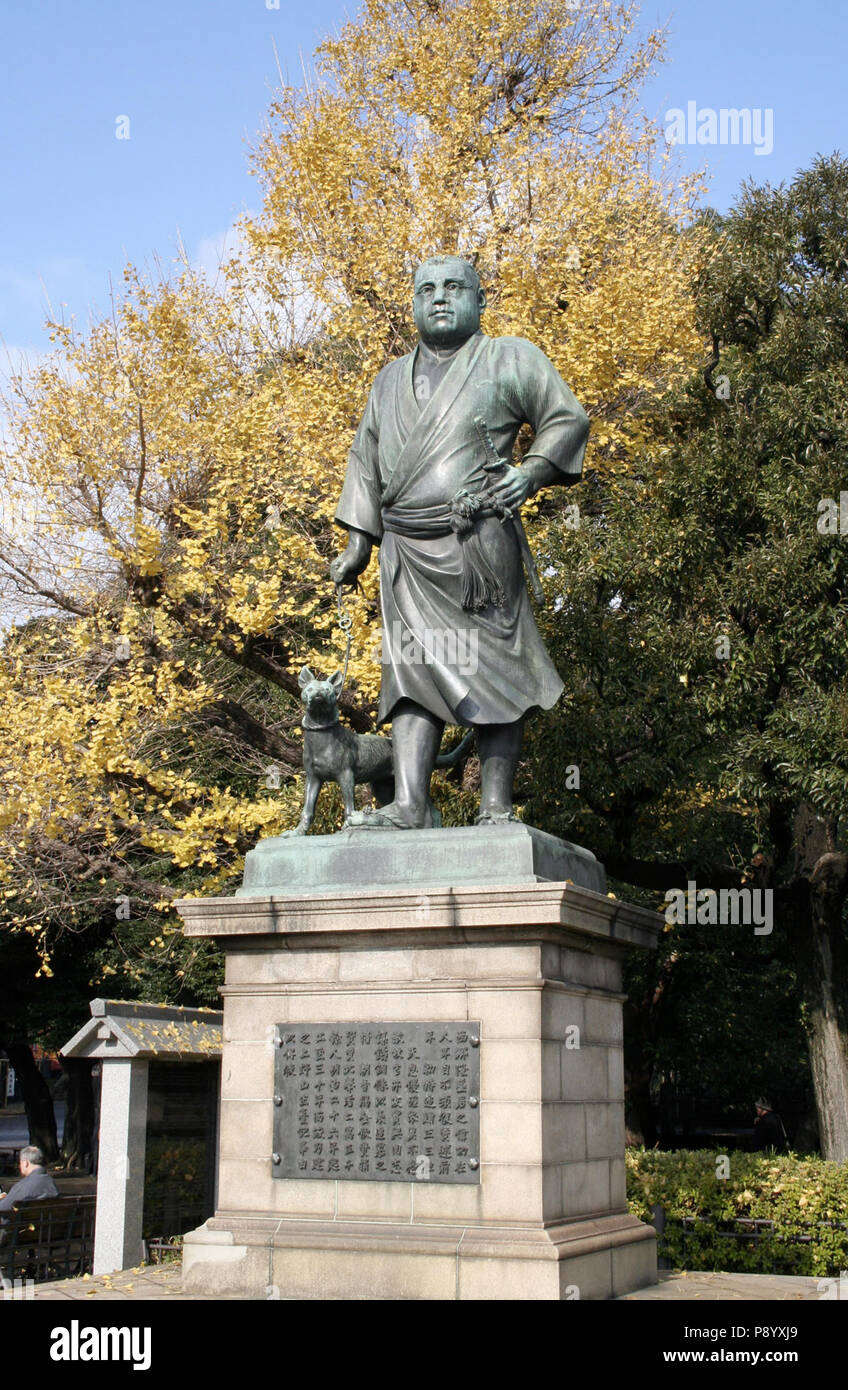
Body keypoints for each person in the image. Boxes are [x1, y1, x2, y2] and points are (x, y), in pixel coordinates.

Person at [330, 254, 590, 828]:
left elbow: (567, 418)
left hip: (479, 544)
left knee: (499, 667)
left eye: (453, 286)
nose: (440, 297)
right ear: (414, 303)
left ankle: (496, 806)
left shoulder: (509, 358)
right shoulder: (389, 379)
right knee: (410, 672)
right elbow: (365, 459)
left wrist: (531, 472)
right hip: (406, 551)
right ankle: (409, 804)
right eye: (426, 289)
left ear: (480, 299)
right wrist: (358, 541)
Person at [0, 1145, 59, 1211]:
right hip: (47, 1217)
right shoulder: (51, 1182)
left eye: (20, 1163)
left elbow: (3, 1207)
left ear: (26, 1163)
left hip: (22, 1217)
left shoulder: (23, 1185)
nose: (19, 1166)